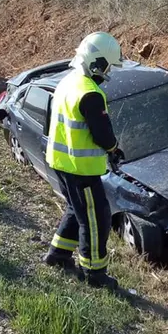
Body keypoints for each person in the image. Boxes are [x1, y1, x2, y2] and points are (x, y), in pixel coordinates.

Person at [42, 32, 125, 290]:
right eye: (108, 67)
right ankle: (94, 273)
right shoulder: (90, 93)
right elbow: (102, 134)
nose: (108, 73)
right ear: (97, 64)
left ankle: (58, 254)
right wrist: (114, 149)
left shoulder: (68, 81)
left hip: (61, 162)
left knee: (76, 209)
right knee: (95, 219)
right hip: (81, 169)